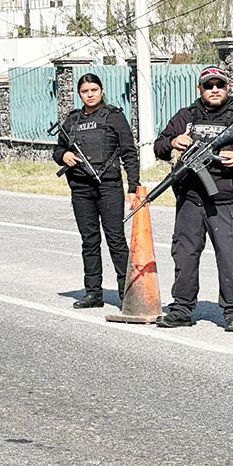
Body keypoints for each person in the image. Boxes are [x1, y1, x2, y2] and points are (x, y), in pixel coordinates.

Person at [153, 65, 233, 333]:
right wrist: (173, 142)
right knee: (184, 255)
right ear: (200, 89)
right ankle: (181, 310)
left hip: (224, 200)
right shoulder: (185, 117)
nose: (215, 89)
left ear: (227, 88)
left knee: (229, 257)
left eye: (219, 85)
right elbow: (158, 146)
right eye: (209, 85)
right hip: (189, 199)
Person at [53, 73, 140, 309]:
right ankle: (93, 293)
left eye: (93, 90)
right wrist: (64, 155)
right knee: (89, 241)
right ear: (79, 94)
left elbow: (129, 153)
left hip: (109, 187)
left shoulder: (114, 117)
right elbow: (57, 150)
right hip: (81, 189)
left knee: (116, 240)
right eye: (85, 91)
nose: (90, 94)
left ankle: (127, 293)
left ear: (101, 90)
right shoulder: (72, 121)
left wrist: (133, 186)